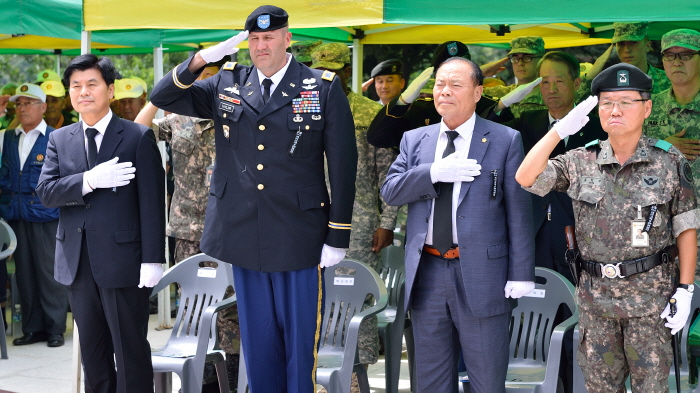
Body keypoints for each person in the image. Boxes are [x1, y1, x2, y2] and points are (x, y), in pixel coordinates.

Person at [149, 5, 357, 393]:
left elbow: (344, 164)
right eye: (255, 39)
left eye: (270, 37)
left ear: (287, 38)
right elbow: (162, 96)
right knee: (258, 341)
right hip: (243, 231)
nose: (262, 46)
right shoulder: (227, 82)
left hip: (300, 234)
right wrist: (200, 60)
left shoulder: (321, 86)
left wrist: (338, 234)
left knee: (299, 341)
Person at [515, 63, 699, 393]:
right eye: (606, 103)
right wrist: (558, 131)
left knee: (651, 389)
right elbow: (525, 177)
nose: (615, 110)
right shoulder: (579, 160)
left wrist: (685, 290)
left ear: (647, 108)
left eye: (626, 102)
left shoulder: (669, 161)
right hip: (596, 300)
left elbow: (686, 227)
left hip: (650, 301)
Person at [381, 57, 535, 393]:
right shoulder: (415, 139)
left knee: (486, 379)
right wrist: (432, 173)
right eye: (439, 84)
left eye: (456, 85)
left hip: (482, 273)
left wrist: (521, 272)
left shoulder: (504, 139)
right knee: (431, 381)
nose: (444, 92)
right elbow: (390, 191)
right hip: (428, 272)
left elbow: (519, 212)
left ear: (478, 92)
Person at [36, 54, 165, 393]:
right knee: (92, 355)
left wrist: (153, 258)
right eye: (75, 86)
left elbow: (152, 202)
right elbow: (46, 193)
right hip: (77, 264)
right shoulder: (59, 139)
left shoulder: (137, 136)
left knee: (130, 350)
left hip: (124, 262)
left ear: (110, 90)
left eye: (92, 84)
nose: (83, 92)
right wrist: (88, 180)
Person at [134, 55, 241, 391]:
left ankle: (234, 373)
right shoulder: (177, 119)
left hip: (230, 228)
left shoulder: (238, 118)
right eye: (199, 79)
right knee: (194, 302)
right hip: (185, 229)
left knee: (230, 308)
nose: (204, 86)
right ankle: (202, 374)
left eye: (212, 79)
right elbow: (138, 130)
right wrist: (158, 97)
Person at [310, 42, 398, 391]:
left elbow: (388, 176)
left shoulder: (367, 114)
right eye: (322, 68)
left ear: (348, 70)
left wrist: (387, 223)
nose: (329, 74)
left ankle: (355, 379)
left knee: (354, 300)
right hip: (310, 223)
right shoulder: (304, 107)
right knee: (315, 301)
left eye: (336, 68)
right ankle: (318, 378)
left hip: (358, 226)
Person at [0, 83, 68, 348]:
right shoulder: (7, 136)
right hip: (15, 214)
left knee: (48, 273)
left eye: (29, 103)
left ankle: (55, 329)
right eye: (19, 104)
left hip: (45, 214)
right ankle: (32, 328)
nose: (23, 108)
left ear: (42, 107)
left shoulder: (55, 137)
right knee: (24, 274)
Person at [366, 41, 502, 151]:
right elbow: (377, 138)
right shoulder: (422, 109)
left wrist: (499, 109)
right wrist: (402, 101)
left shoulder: (489, 106)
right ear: (436, 74)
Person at [581, 22, 671, 96]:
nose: (627, 50)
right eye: (621, 44)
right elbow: (573, 109)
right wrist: (590, 76)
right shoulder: (607, 82)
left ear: (647, 46)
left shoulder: (667, 81)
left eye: (633, 42)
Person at [484, 36, 547, 117]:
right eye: (515, 58)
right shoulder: (499, 93)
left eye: (527, 57)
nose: (520, 63)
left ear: (542, 60)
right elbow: (466, 94)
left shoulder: (552, 95)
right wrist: (479, 72)